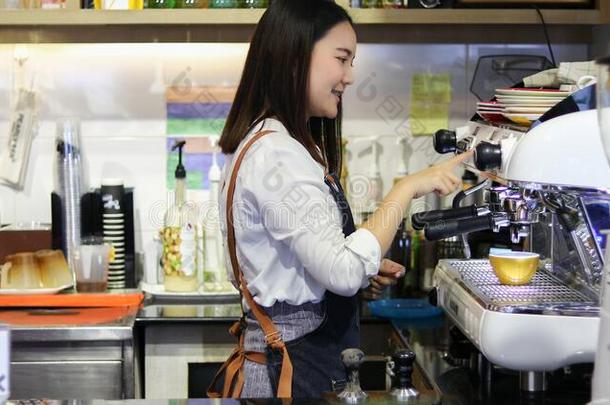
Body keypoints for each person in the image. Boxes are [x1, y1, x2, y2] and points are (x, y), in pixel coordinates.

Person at [209, 0, 470, 399]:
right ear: (296, 57)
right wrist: (406, 189)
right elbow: (343, 271)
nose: (350, 77)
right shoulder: (276, 154)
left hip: (295, 365)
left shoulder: (278, 144)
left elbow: (321, 264)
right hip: (292, 374)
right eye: (342, 58)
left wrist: (360, 271)